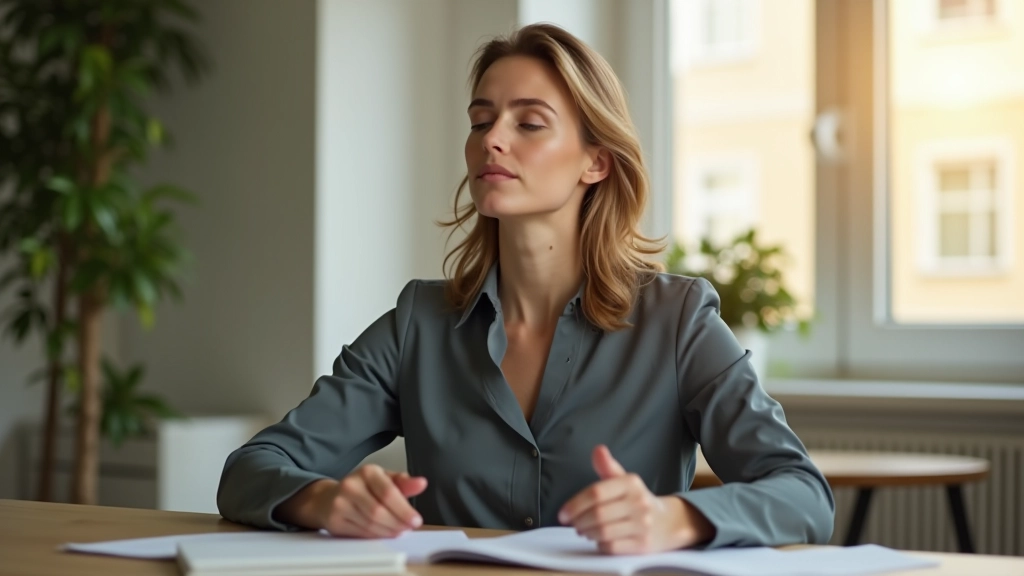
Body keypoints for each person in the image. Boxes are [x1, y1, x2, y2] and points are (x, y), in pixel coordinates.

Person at [217, 23, 834, 555]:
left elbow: (803, 494)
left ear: (596, 162)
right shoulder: (417, 325)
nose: (492, 138)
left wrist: (674, 519)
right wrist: (325, 501)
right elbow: (249, 471)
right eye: (481, 120)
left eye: (529, 123)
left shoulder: (679, 320)